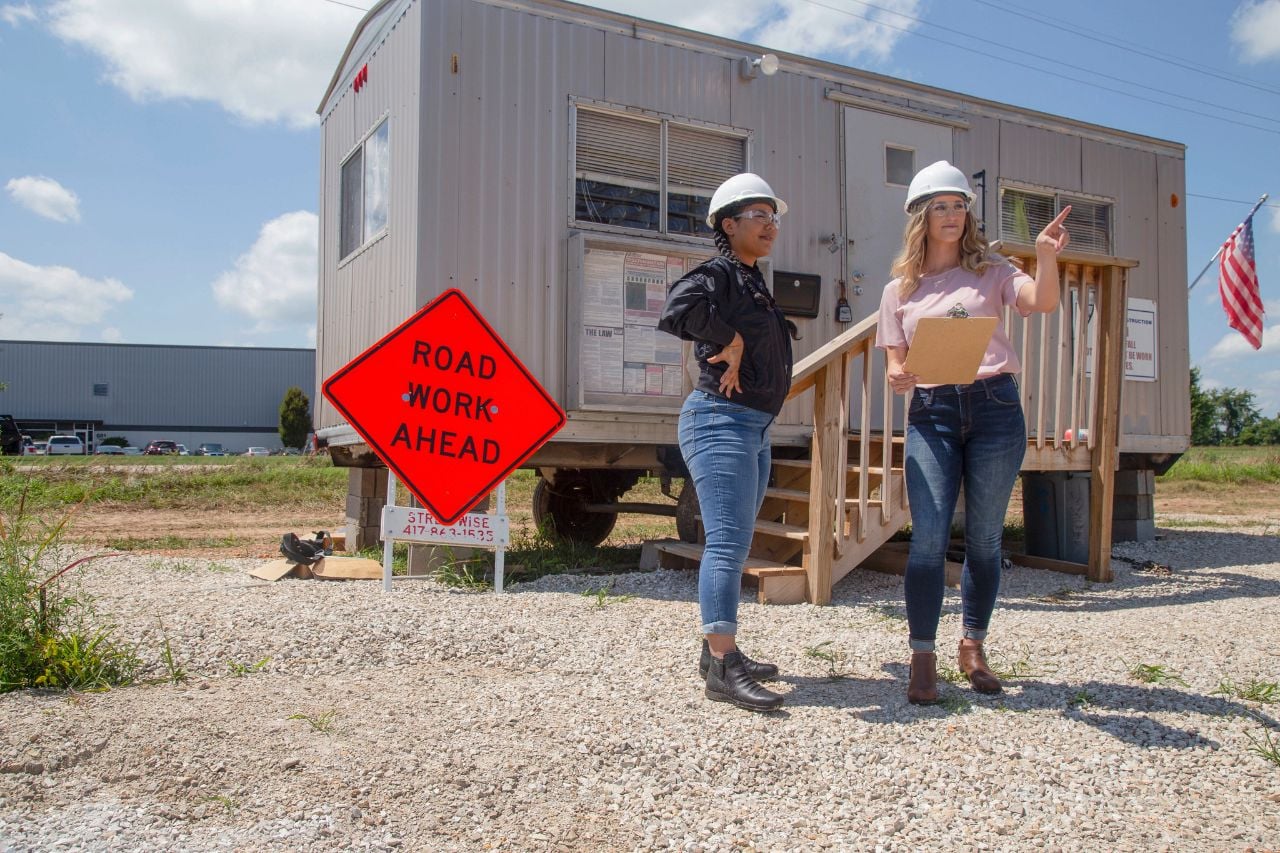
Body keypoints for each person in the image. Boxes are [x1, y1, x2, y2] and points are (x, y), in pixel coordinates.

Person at [875, 161, 1071, 705]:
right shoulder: (898, 290)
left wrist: (1048, 255)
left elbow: (1042, 302)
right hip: (932, 410)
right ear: (920, 216)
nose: (953, 215)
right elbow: (895, 363)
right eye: (941, 206)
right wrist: (898, 373)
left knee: (984, 538)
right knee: (929, 541)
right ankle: (922, 655)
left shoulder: (994, 269)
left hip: (994, 408)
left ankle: (974, 646)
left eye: (960, 205)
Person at [658, 173, 799, 713]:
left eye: (773, 216)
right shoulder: (719, 273)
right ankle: (723, 666)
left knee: (736, 542)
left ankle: (715, 649)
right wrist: (732, 337)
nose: (770, 224)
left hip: (752, 426)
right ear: (729, 224)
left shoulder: (751, 280)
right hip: (720, 420)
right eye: (759, 215)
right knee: (725, 544)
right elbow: (677, 309)